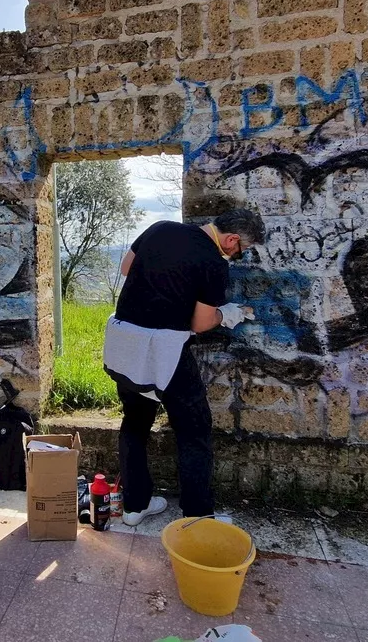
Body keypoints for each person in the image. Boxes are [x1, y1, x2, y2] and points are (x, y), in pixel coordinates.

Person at [103, 209, 265, 526]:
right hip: (163, 351)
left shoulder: (160, 227)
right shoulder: (214, 263)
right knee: (194, 431)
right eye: (242, 249)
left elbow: (126, 268)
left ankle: (135, 506)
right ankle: (198, 516)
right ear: (232, 239)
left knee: (135, 422)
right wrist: (229, 312)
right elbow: (201, 323)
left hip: (124, 342)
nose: (238, 255)